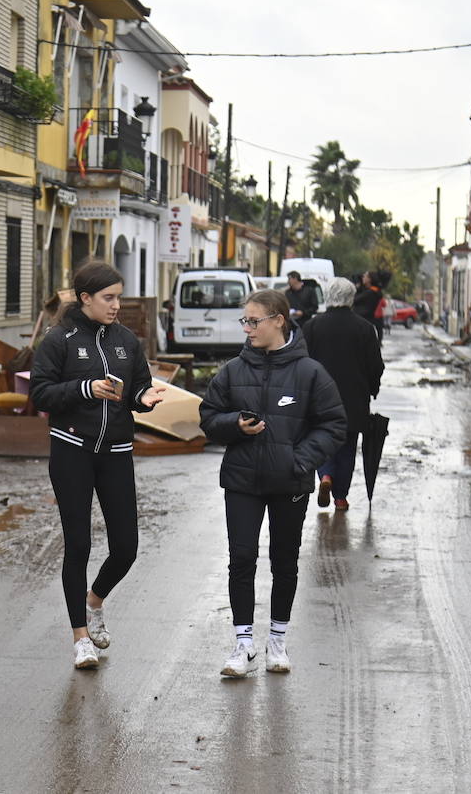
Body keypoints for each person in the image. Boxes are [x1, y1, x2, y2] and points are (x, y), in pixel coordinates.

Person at [199, 289, 346, 677]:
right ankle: (243, 645)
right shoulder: (233, 370)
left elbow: (334, 424)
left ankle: (277, 642)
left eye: (253, 320)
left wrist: (298, 460)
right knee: (242, 559)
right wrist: (235, 425)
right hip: (242, 481)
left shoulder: (310, 373)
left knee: (285, 562)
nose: (247, 328)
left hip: (290, 484)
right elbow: (209, 417)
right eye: (244, 321)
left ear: (278, 320)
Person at [29, 261, 168, 669]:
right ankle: (80, 638)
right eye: (108, 298)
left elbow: (139, 383)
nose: (116, 305)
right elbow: (40, 394)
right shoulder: (59, 339)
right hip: (72, 450)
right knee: (79, 545)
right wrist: (86, 388)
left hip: (117, 452)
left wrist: (143, 398)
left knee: (126, 547)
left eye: (119, 297)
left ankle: (95, 602)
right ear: (85, 298)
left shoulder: (126, 339)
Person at [302, 278, 384, 512]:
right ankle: (340, 497)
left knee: (321, 441)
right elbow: (375, 365)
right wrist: (372, 388)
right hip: (354, 400)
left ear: (328, 296)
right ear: (351, 298)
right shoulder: (365, 328)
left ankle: (325, 475)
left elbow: (302, 362)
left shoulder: (312, 327)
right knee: (347, 445)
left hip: (319, 397)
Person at [353, 271, 386, 345]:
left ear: (369, 279)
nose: (362, 278)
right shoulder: (374, 291)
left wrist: (357, 289)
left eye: (365, 276)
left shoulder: (370, 293)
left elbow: (354, 300)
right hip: (367, 320)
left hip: (363, 320)